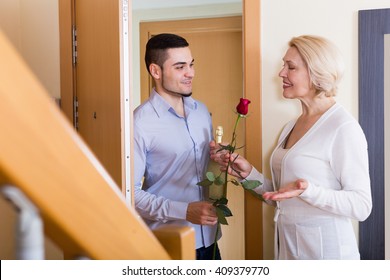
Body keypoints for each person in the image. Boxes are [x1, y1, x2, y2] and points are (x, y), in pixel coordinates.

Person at [210, 35, 372, 260]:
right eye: (284, 65)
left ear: (316, 73)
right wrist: (248, 173)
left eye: (291, 67)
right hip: (288, 254)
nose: (281, 73)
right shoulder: (291, 126)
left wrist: (309, 191)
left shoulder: (342, 127)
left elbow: (361, 206)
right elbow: (280, 195)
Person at [133, 33, 221, 260]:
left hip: (210, 241)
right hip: (168, 245)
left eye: (191, 65)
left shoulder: (201, 111)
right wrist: (184, 210)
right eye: (180, 67)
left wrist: (219, 159)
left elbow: (204, 167)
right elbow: (131, 195)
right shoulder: (139, 123)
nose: (190, 73)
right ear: (156, 71)